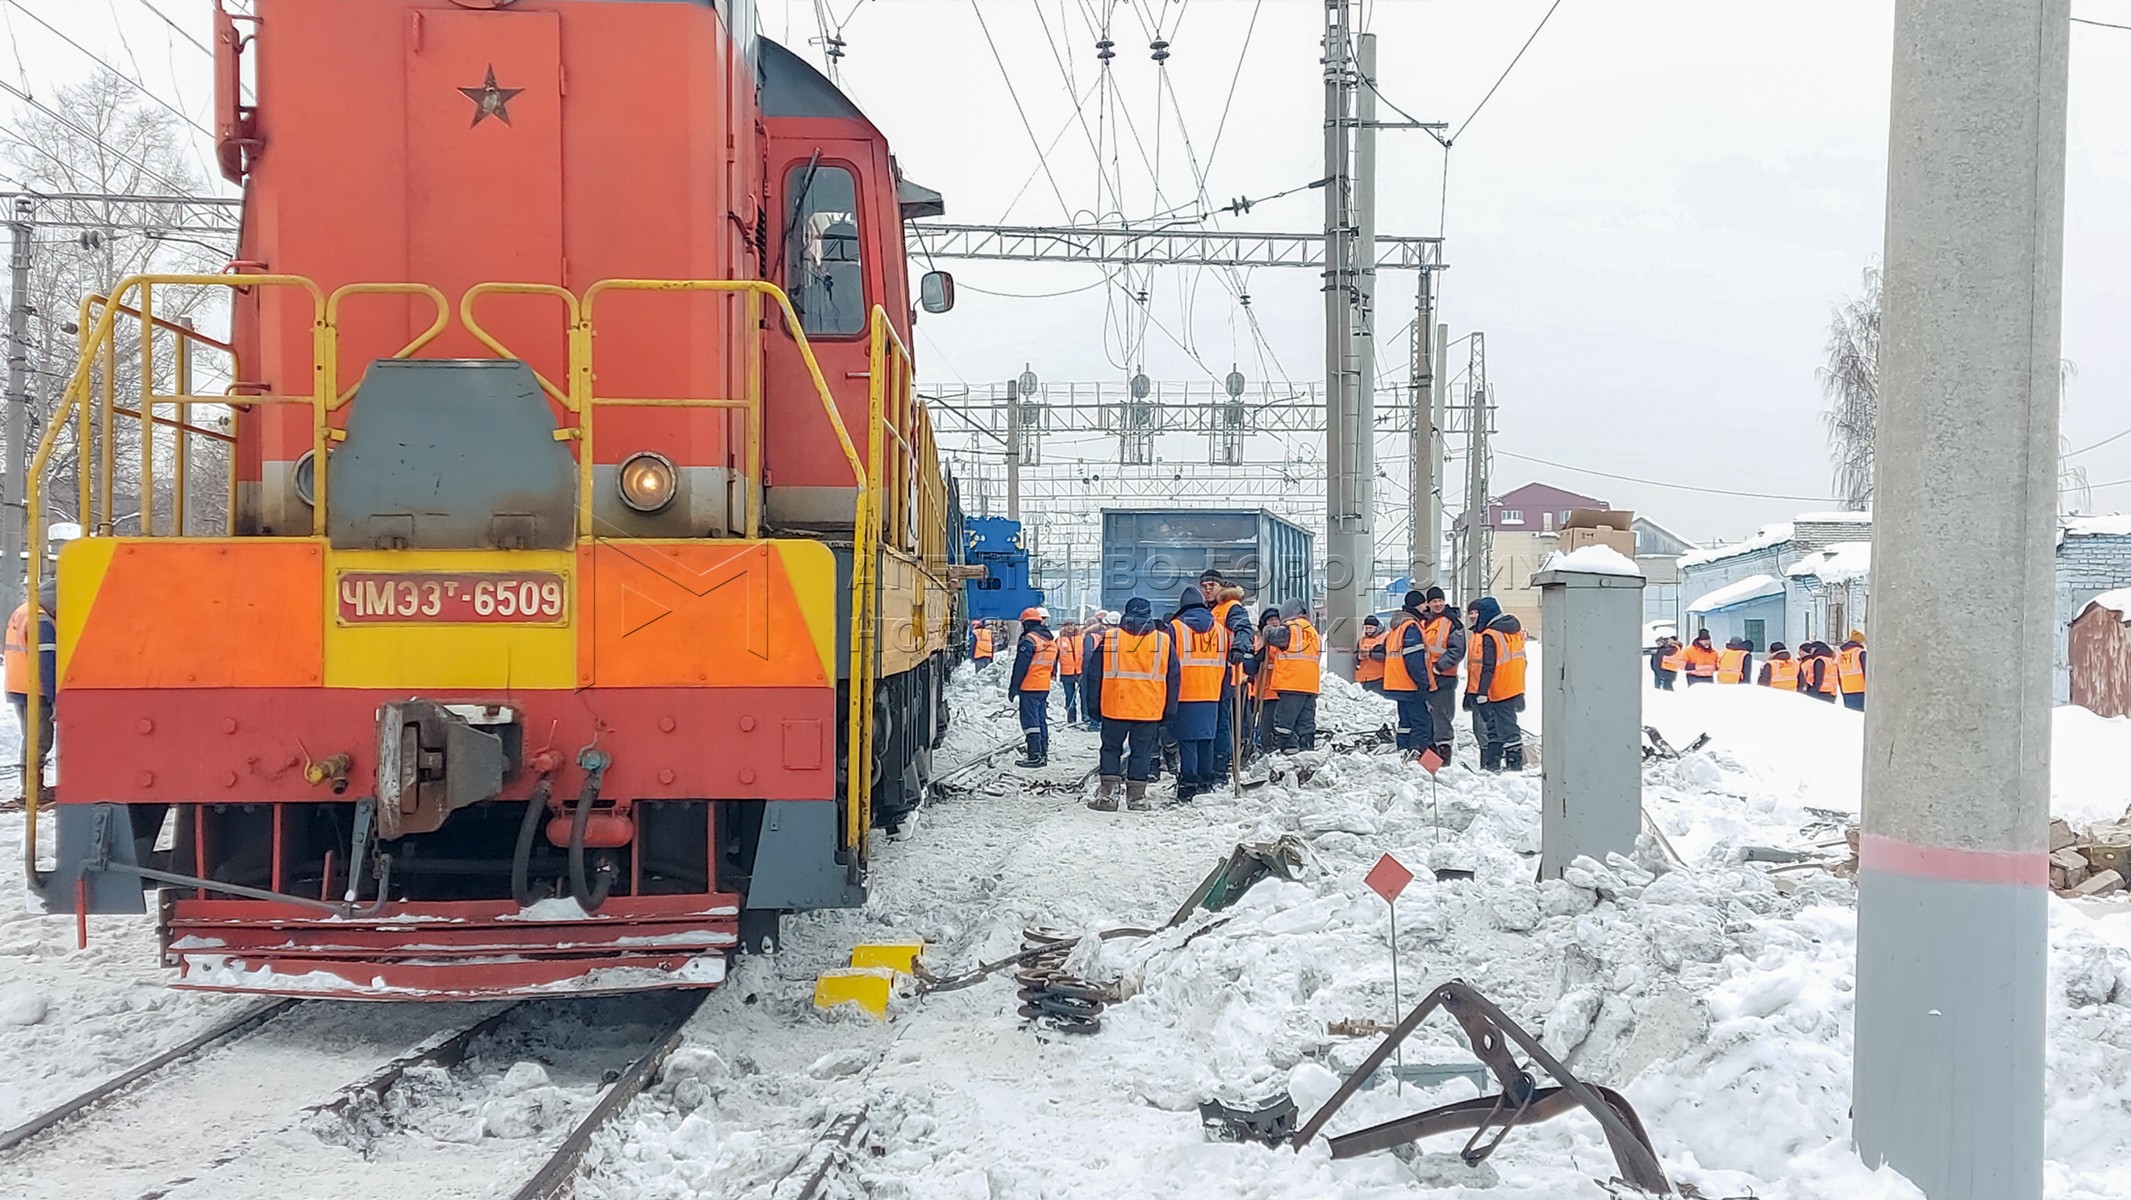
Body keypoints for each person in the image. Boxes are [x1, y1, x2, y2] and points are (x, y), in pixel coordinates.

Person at [1086, 597, 1179, 811]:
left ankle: (1108, 797)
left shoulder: (1111, 638)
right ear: (1149, 614)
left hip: (1114, 705)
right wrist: (1170, 708)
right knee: (1142, 752)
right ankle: (1137, 799)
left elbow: (1094, 675)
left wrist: (1092, 705)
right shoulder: (1162, 641)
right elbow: (1174, 677)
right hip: (1149, 709)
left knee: (1110, 749)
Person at [1169, 587, 1227, 802]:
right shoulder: (1219, 630)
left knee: (1188, 741)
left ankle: (1188, 784)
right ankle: (1206, 781)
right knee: (1206, 739)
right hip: (1212, 691)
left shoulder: (1176, 627)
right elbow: (1226, 664)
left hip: (1185, 692)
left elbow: (1170, 664)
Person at [5, 575, 58, 793]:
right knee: (39, 740)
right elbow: (47, 663)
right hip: (35, 689)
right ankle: (33, 790)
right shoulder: (41, 620)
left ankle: (31, 787)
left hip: (18, 684)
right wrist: (54, 698)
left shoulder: (24, 610)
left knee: (31, 738)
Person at [1465, 595, 1528, 772]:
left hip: (1498, 689)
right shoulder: (1513, 631)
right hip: (1514, 686)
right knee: (1501, 728)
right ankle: (1495, 766)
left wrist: (1482, 692)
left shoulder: (1490, 635)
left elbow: (1488, 666)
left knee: (1504, 730)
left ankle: (1511, 768)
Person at [1204, 576, 1255, 784]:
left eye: (1211, 585)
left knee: (1222, 723)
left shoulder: (1231, 607)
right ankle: (1215, 766)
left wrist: (1239, 648)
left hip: (1227, 673)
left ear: (1221, 587)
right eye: (1204, 586)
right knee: (1217, 722)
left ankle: (1220, 768)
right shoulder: (1212, 610)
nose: (1207, 590)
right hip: (1212, 674)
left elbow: (1243, 629)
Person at [1262, 598, 1322, 751]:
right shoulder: (1312, 631)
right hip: (1310, 685)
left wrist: (1267, 629)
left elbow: (1272, 637)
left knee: (1284, 723)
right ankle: (1307, 751)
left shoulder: (1290, 628)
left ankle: (1288, 752)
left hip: (1291, 683)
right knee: (1306, 723)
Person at [1381, 593, 1430, 755]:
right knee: (1421, 723)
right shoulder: (1411, 627)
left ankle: (1403, 751)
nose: (1426, 608)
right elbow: (1414, 660)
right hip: (1410, 684)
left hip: (1397, 683)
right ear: (1417, 605)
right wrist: (1423, 683)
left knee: (1406, 723)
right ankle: (1418, 756)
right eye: (1424, 604)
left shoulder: (1397, 627)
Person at [1008, 607, 1056, 767]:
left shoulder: (1030, 640)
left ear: (1026, 623)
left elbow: (1020, 667)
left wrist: (1013, 688)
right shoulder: (1049, 640)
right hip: (1043, 686)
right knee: (1041, 719)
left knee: (1030, 721)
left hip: (1029, 686)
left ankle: (1034, 755)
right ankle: (1043, 752)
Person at [1248, 605, 1284, 754]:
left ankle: (1275, 748)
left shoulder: (1284, 641)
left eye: (1276, 619)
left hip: (1280, 689)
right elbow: (1250, 665)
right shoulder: (1258, 641)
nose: (1274, 622)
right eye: (1271, 620)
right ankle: (1264, 748)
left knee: (1278, 724)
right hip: (1264, 690)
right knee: (1265, 724)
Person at [1055, 618, 1084, 724]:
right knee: (1069, 696)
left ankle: (1085, 717)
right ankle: (1071, 719)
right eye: (1066, 625)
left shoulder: (1082, 638)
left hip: (1081, 671)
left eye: (1071, 624)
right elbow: (1054, 658)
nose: (1069, 627)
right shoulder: (1059, 640)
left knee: (1084, 696)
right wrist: (1053, 673)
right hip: (1066, 672)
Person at [1837, 630, 1867, 711]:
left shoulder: (1841, 655)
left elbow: (1839, 675)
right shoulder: (1860, 652)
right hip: (1861, 689)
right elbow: (1867, 672)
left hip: (1846, 689)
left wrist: (1842, 690)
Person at [1356, 615, 1387, 695]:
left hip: (1378, 679)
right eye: (1366, 628)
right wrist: (1358, 657)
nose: (1368, 630)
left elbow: (1386, 657)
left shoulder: (1385, 638)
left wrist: (1370, 654)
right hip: (1363, 679)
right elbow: (1355, 655)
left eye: (1370, 628)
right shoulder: (1361, 640)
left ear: (1377, 627)